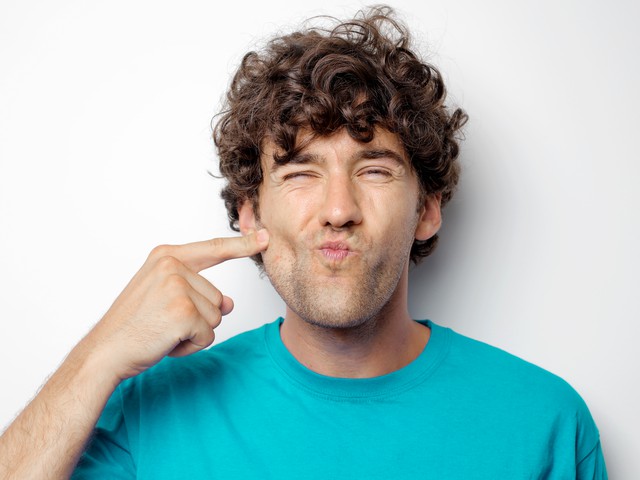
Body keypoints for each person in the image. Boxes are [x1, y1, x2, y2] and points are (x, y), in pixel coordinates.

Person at [0, 6, 606, 479]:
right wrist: (99, 355)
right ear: (248, 212)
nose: (338, 210)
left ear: (426, 210)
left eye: (374, 170)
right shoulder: (147, 413)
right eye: (300, 173)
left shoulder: (543, 422)